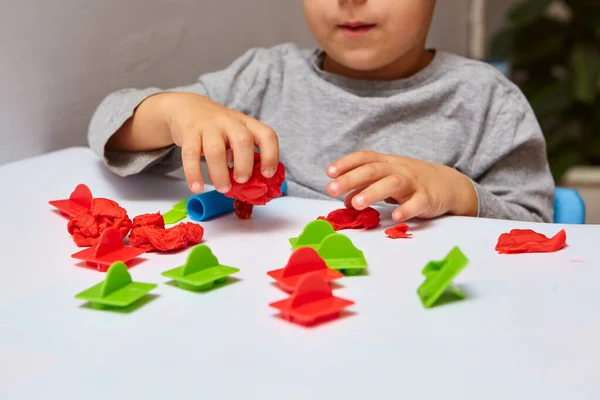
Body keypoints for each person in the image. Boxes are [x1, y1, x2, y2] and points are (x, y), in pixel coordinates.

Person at [88, 0, 555, 223]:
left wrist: (456, 193)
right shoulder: (263, 77)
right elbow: (108, 125)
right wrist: (176, 112)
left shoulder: (486, 100)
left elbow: (535, 225)